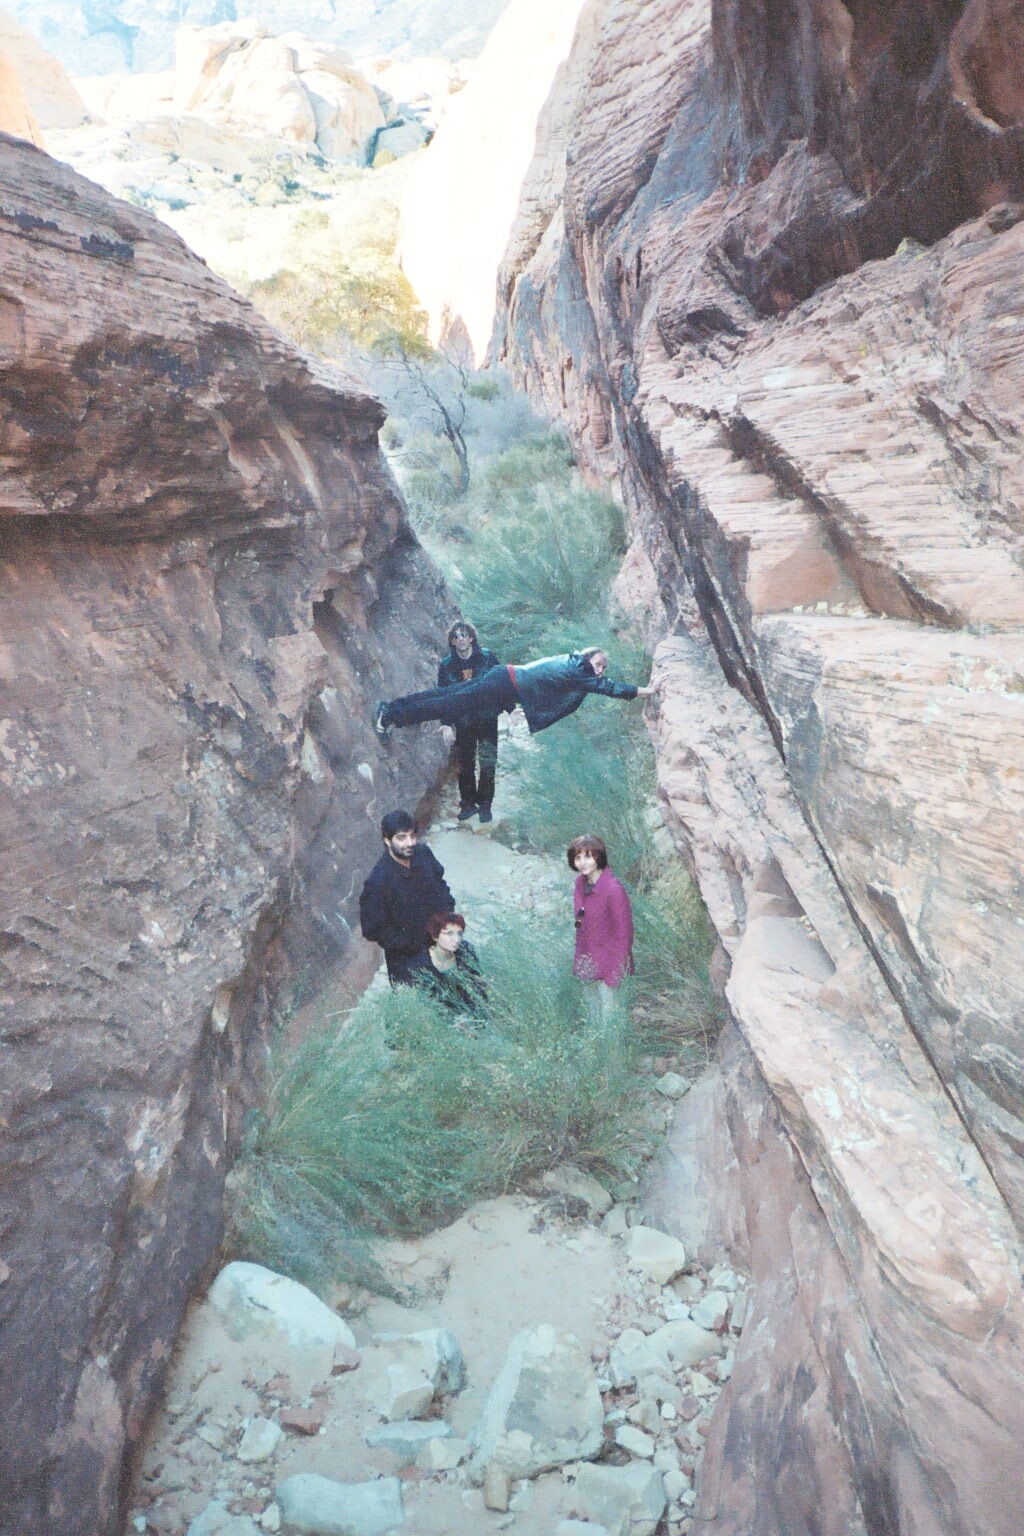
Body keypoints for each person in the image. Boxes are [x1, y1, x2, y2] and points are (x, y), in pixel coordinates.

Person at [374, 648, 660, 741]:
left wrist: (512, 707)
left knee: (447, 695)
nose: (600, 671)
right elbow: (610, 688)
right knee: (449, 703)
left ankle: (392, 708)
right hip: (504, 683)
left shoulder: (572, 663)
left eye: (603, 668)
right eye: (598, 664)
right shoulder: (579, 670)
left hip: (504, 678)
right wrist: (648, 691)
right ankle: (390, 717)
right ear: (588, 659)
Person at [358, 810, 455, 984]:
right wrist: (410, 945)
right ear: (387, 841)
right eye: (401, 838)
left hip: (441, 944)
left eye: (412, 836)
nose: (410, 843)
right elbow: (372, 928)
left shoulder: (422, 853)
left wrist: (447, 919)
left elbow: (440, 884)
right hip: (408, 961)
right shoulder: (378, 881)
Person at [438, 621, 501, 824]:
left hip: (487, 718)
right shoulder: (447, 665)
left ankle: (485, 804)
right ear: (452, 641)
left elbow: (502, 684)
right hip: (463, 720)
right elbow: (444, 697)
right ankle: (468, 804)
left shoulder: (487, 658)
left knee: (487, 762)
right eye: (456, 636)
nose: (460, 639)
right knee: (465, 764)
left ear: (471, 638)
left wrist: (511, 709)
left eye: (464, 635)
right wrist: (446, 724)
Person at [568, 834, 634, 1019]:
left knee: (610, 1020)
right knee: (592, 1017)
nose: (582, 862)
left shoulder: (614, 889)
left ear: (599, 856)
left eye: (588, 856)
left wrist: (616, 972)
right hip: (588, 961)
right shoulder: (581, 883)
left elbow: (624, 935)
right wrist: (580, 963)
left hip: (610, 965)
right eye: (578, 857)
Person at [408, 911, 485, 1016]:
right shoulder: (420, 964)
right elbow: (426, 1002)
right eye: (450, 934)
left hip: (472, 1011)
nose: (456, 939)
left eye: (459, 933)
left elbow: (478, 985)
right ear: (435, 936)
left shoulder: (466, 950)